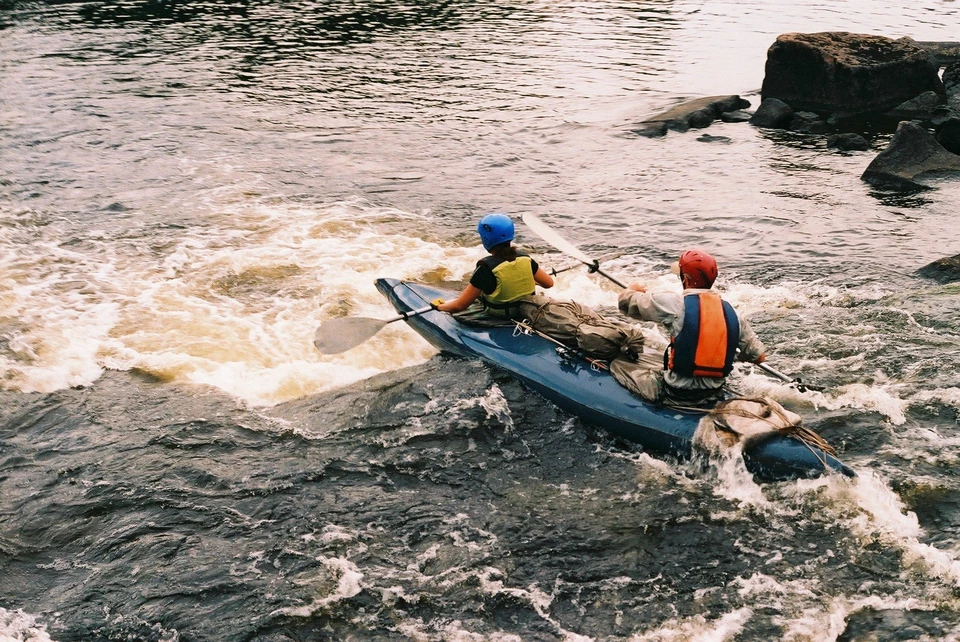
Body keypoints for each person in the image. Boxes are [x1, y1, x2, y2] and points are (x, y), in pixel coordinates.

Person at [616, 249, 765, 404]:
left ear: (685, 278)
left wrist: (632, 289)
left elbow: (625, 302)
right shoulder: (734, 313)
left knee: (618, 364)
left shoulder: (674, 304)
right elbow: (759, 357)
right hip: (713, 392)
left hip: (677, 392)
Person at [433, 213, 555, 319]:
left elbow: (460, 306)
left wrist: (439, 307)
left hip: (500, 315)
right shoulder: (525, 258)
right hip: (526, 310)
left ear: (486, 239)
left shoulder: (485, 267)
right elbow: (548, 283)